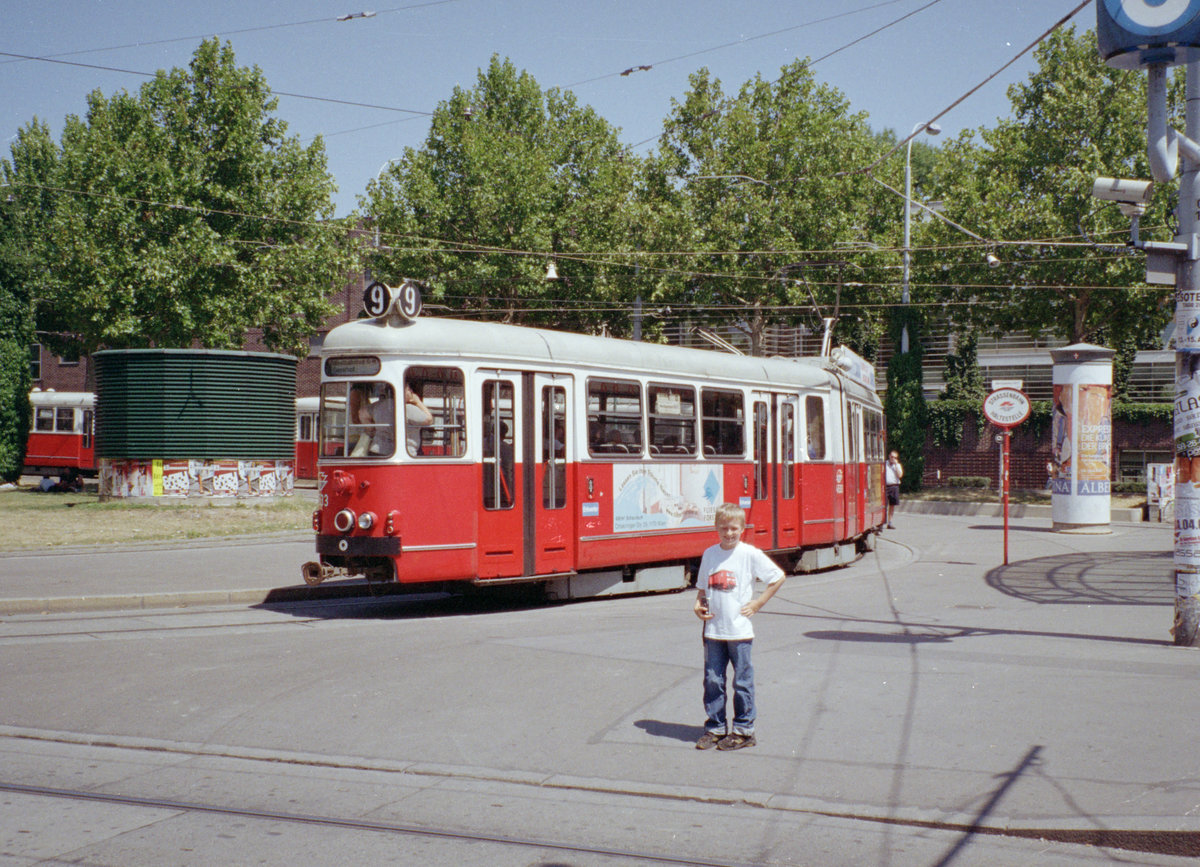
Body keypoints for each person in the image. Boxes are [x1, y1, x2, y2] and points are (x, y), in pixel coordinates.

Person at [693, 502, 785, 751]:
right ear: (716, 528)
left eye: (734, 528)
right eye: (724, 528)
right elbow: (703, 588)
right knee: (713, 680)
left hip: (740, 631)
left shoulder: (749, 554)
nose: (729, 533)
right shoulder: (710, 554)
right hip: (713, 630)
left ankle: (744, 730)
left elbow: (777, 577)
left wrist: (758, 603)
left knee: (742, 681)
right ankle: (715, 728)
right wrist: (698, 604)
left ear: (742, 529)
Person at [403, 383, 433, 455]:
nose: (411, 392)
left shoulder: (378, 405)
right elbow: (429, 420)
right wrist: (417, 401)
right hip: (408, 451)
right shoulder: (408, 408)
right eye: (409, 390)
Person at [885, 450, 903, 529]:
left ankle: (890, 522)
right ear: (889, 456)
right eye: (892, 457)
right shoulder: (885, 464)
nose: (893, 459)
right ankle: (881, 522)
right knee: (883, 505)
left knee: (892, 506)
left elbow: (900, 475)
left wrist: (895, 465)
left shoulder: (897, 465)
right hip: (885, 486)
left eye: (895, 457)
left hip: (894, 486)